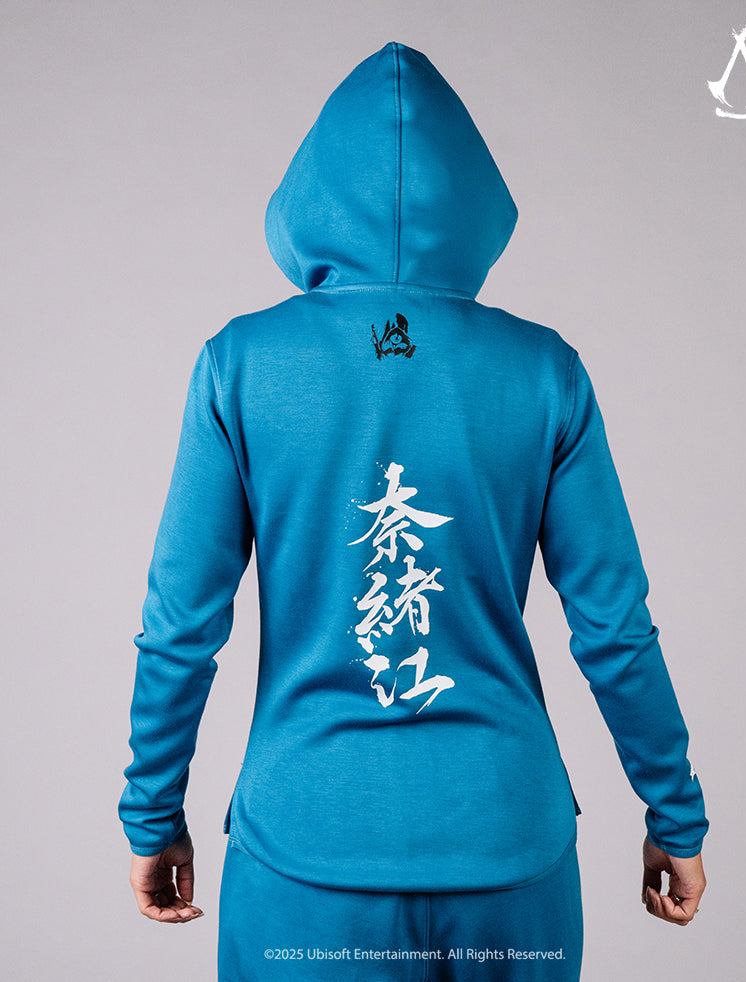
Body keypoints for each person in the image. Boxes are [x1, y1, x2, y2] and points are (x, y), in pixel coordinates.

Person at [120, 41, 708, 980]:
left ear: (309, 191)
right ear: (473, 198)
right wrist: (674, 813)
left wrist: (153, 814)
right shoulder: (543, 371)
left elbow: (181, 623)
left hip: (309, 858)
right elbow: (613, 623)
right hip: (507, 852)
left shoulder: (243, 364)